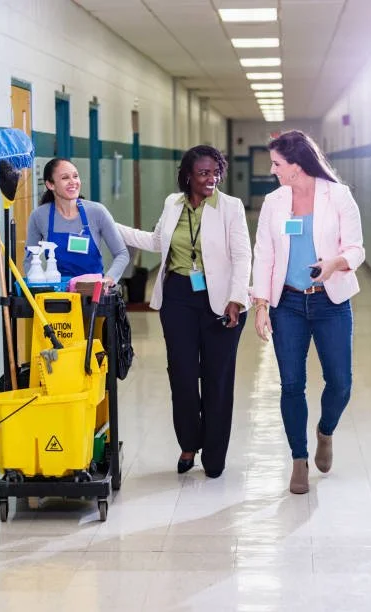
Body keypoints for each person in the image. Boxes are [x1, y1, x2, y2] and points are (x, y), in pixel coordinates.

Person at [116, 145, 252, 478]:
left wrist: (236, 298)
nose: (211, 178)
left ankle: (215, 453)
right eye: (203, 172)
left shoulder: (230, 207)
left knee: (218, 379)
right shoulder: (172, 203)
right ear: (188, 175)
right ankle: (189, 444)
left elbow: (242, 256)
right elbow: (156, 242)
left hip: (221, 301)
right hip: (178, 297)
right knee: (182, 375)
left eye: (215, 171)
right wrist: (108, 224)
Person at [252, 130, 365, 494]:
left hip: (330, 301)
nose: (272, 170)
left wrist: (335, 263)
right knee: (291, 384)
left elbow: (357, 248)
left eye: (277, 164)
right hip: (288, 303)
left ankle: (325, 431)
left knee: (341, 382)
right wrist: (261, 304)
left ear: (297, 166)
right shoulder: (274, 201)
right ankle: (299, 459)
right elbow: (265, 254)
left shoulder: (338, 195)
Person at [24, 158, 129, 283]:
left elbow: (122, 254)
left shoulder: (97, 212)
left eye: (75, 176)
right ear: (50, 185)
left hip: (92, 294)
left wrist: (108, 279)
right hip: (57, 295)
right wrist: (37, 285)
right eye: (65, 178)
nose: (73, 182)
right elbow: (29, 258)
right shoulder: (39, 216)